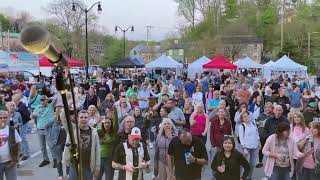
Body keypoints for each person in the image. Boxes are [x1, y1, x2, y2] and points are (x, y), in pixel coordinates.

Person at [62, 110, 100, 180]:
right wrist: (69, 102)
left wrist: (97, 166)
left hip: (88, 165)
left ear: (89, 118)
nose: (83, 119)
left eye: (85, 117)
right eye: (81, 117)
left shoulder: (94, 131)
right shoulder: (72, 129)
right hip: (74, 165)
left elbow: (97, 150)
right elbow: (63, 118)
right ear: (77, 118)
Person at [32, 95, 57, 167]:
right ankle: (46, 159)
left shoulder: (50, 106)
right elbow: (32, 115)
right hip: (40, 129)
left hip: (48, 129)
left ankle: (55, 159)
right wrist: (33, 115)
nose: (42, 101)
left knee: (51, 145)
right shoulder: (37, 107)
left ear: (46, 100)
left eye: (44, 100)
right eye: (41, 100)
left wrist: (48, 98)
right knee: (42, 146)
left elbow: (55, 98)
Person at [46, 107, 68, 180]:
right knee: (59, 160)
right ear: (58, 113)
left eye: (63, 112)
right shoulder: (53, 120)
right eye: (61, 112)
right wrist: (50, 137)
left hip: (67, 143)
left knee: (68, 159)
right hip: (58, 143)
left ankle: (68, 173)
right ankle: (60, 174)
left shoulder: (67, 120)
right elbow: (46, 127)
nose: (62, 113)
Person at [0, 110, 22, 180]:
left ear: (8, 118)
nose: (3, 119)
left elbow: (18, 145)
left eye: (5, 117)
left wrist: (16, 159)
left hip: (10, 162)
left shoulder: (12, 130)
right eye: (0, 118)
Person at [96, 115, 119, 180]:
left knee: (109, 178)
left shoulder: (114, 132)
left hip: (110, 159)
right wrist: (97, 122)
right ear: (102, 124)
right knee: (97, 178)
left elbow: (116, 123)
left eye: (108, 123)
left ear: (111, 124)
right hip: (99, 159)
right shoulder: (99, 132)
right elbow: (90, 130)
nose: (106, 124)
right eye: (105, 123)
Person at [238, 111, 260, 179]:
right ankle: (238, 176)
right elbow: (241, 138)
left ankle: (249, 177)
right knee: (242, 163)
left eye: (247, 115)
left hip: (255, 146)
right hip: (246, 147)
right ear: (242, 119)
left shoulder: (253, 123)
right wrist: (244, 148)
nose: (246, 117)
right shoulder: (241, 126)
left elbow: (257, 133)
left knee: (252, 164)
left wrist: (259, 143)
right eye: (244, 116)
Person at [12, 94, 31, 160]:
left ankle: (27, 153)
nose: (13, 101)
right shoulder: (20, 106)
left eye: (13, 100)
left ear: (16, 100)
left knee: (23, 138)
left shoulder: (21, 106)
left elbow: (28, 114)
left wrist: (25, 121)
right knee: (21, 138)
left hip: (23, 124)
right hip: (22, 123)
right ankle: (23, 151)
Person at [256, 102, 274, 168]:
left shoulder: (273, 115)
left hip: (270, 136)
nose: (267, 109)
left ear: (272, 108)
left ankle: (270, 163)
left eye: (269, 107)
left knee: (270, 150)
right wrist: (258, 123)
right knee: (261, 149)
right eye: (266, 107)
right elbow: (256, 123)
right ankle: (260, 162)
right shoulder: (261, 115)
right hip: (262, 135)